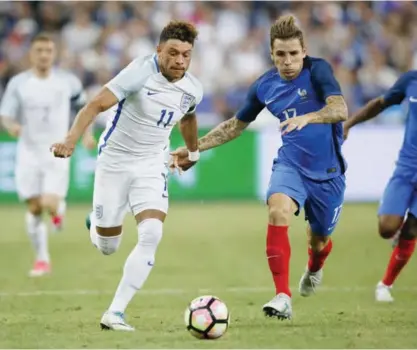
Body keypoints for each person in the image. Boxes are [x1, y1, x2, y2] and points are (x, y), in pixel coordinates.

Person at [170, 15, 348, 320]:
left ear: (304, 51)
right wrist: (194, 148)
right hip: (291, 163)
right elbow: (234, 127)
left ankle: (315, 266)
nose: (288, 61)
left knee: (318, 242)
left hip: (329, 173)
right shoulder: (265, 85)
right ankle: (282, 296)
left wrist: (309, 117)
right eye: (281, 55)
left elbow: (339, 109)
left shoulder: (319, 70)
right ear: (271, 54)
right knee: (277, 208)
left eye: (293, 54)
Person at [51, 21, 203, 331]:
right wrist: (70, 140)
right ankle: (96, 224)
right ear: (158, 50)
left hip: (151, 164)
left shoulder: (192, 88)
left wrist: (193, 151)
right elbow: (95, 104)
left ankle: (115, 312)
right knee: (108, 246)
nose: (179, 61)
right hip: (115, 162)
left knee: (152, 234)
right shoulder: (138, 73)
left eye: (186, 55)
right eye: (173, 53)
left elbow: (188, 117)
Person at [0, 33, 94, 277]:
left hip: (57, 151)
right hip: (28, 152)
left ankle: (57, 211)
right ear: (31, 54)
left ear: (54, 54)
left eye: (48, 51)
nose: (44, 55)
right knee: (33, 207)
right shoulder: (19, 83)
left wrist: (86, 134)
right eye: (39, 50)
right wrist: (12, 126)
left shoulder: (68, 82)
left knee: (48, 203)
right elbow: (6, 114)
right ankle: (42, 259)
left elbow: (85, 109)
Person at [343, 71, 417, 303]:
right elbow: (381, 103)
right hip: (407, 166)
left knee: (412, 230)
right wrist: (350, 123)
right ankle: (402, 229)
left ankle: (385, 284)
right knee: (386, 228)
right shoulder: (411, 81)